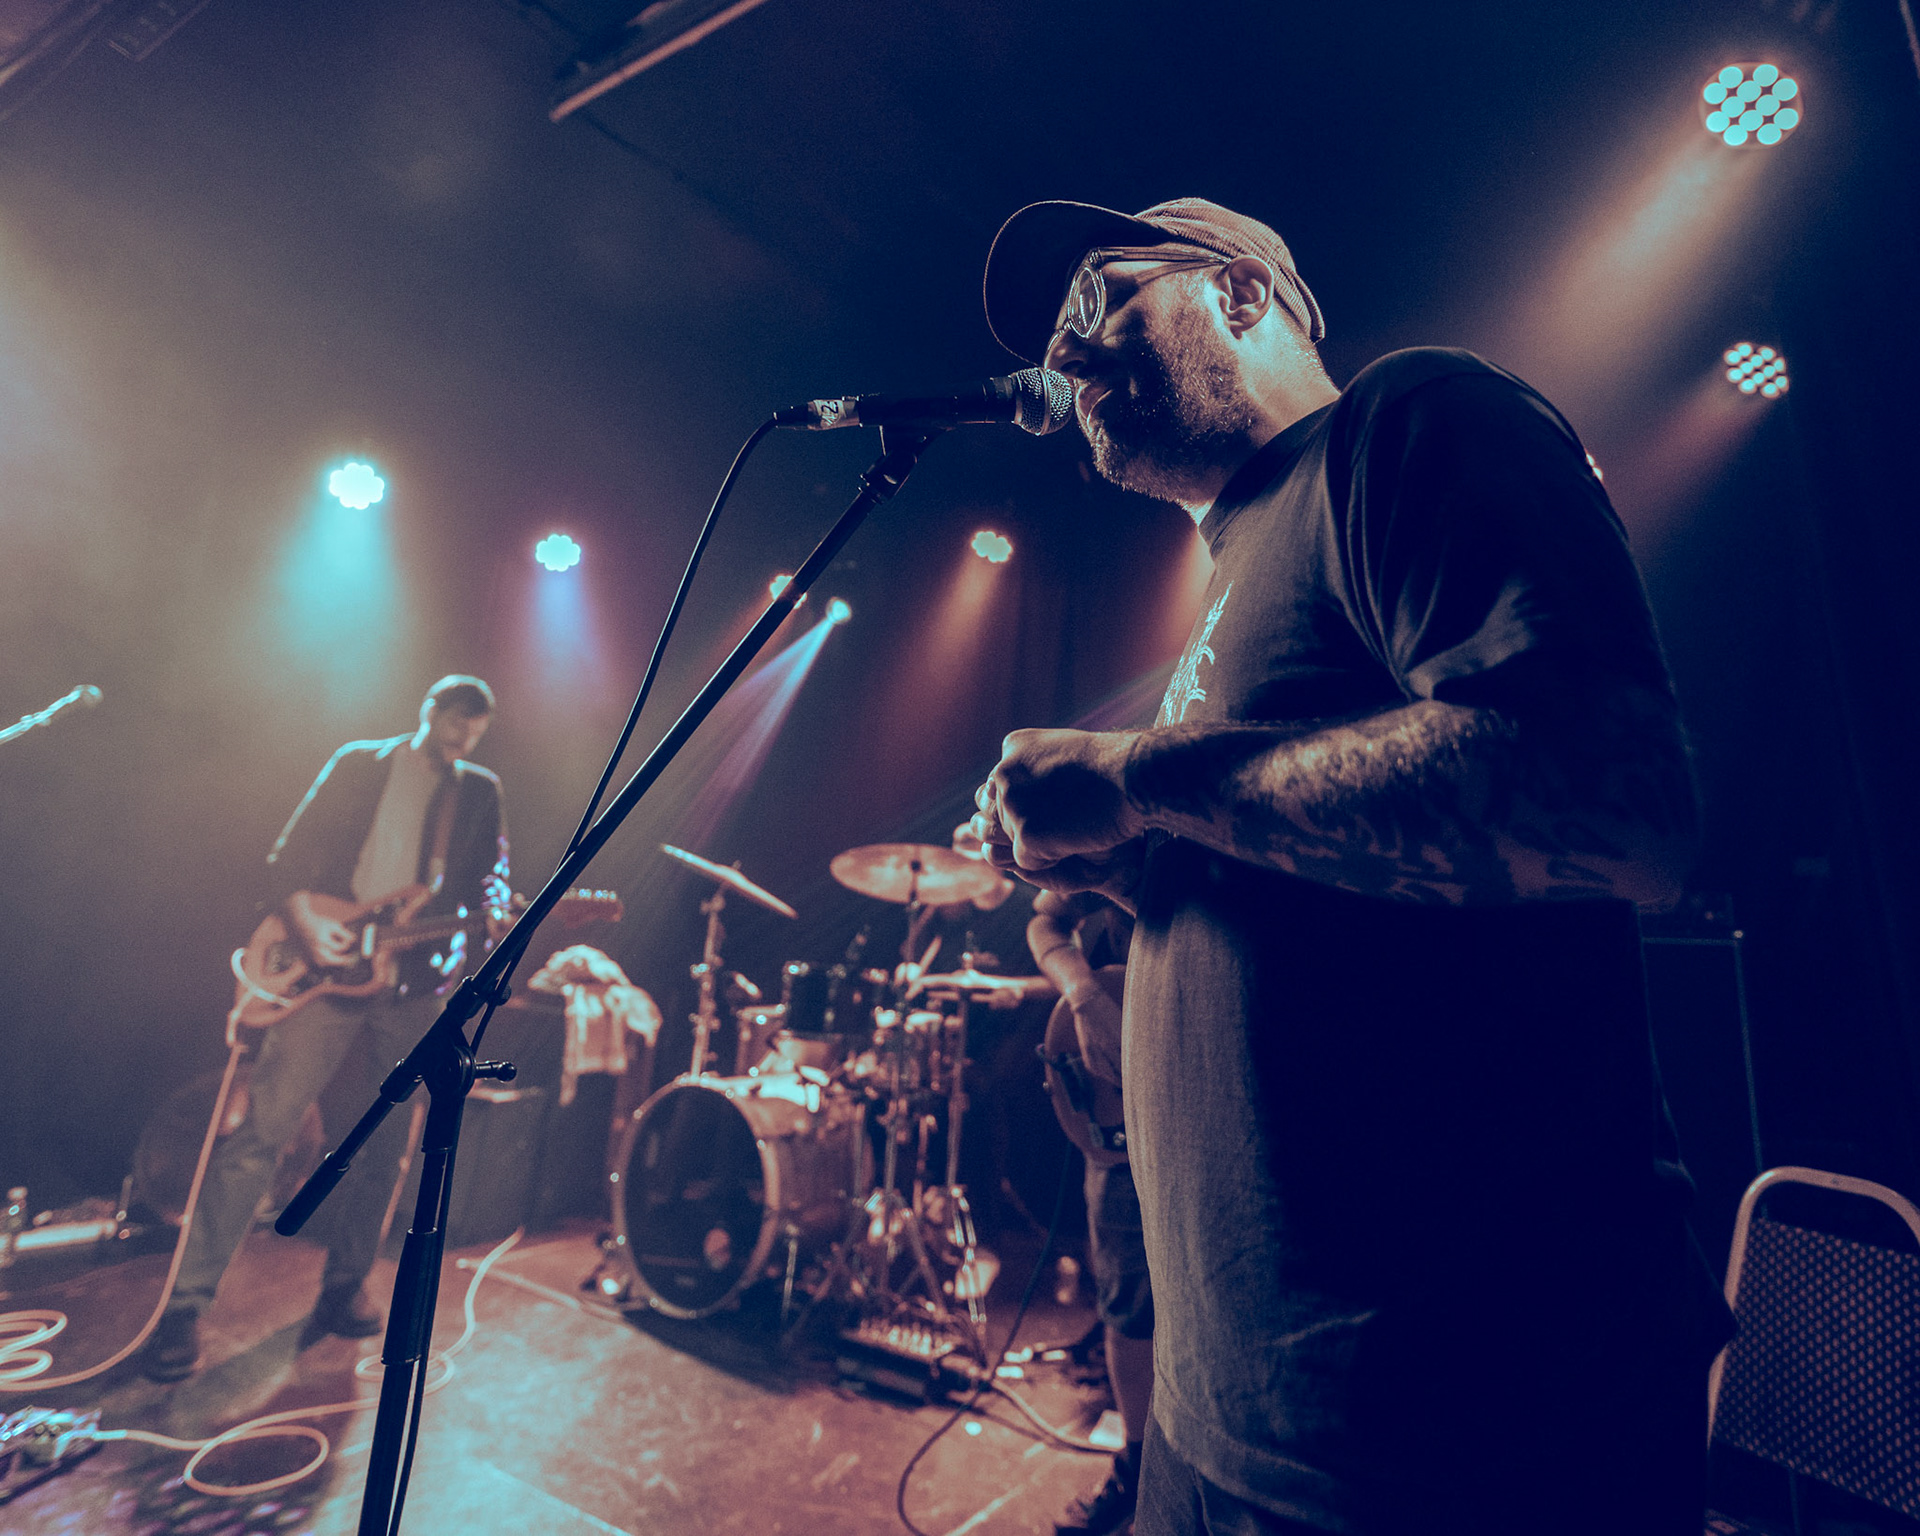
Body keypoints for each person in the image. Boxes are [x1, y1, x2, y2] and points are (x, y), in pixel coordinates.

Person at [969, 199, 1732, 1535]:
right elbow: (1329, 892)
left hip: (1454, 1447)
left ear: (1241, 292)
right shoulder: (1229, 585)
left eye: (1100, 296)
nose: (1067, 352)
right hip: (1219, 1425)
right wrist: (1133, 907)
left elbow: (1613, 799)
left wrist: (1138, 778)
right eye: (1055, 335)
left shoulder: (1406, 426)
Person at [142, 675, 509, 1382]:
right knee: (263, 1133)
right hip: (326, 965)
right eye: (456, 717)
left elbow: (487, 879)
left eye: (476, 725)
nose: (464, 733)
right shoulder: (360, 764)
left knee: (387, 1145)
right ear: (429, 711)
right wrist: (309, 927)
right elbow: (285, 859)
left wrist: (500, 915)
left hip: (413, 985)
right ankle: (183, 1308)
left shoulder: (479, 792)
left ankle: (345, 1284)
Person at [1028, 889, 1151, 1536]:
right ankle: (1136, 1469)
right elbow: (1046, 920)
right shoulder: (1123, 833)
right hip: (1122, 1127)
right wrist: (1082, 993)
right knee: (1128, 1305)